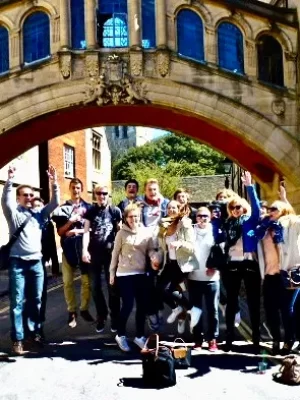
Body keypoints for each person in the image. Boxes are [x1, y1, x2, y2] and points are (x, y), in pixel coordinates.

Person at [1, 165, 59, 355]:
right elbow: (5, 201)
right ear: (18, 198)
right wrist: (9, 180)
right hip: (18, 263)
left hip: (36, 264)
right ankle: (17, 339)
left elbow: (54, 203)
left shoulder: (39, 215)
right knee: (17, 302)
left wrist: (54, 183)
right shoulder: (14, 215)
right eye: (25, 195)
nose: (29, 197)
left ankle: (33, 334)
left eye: (31, 195)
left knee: (36, 301)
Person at [109, 203, 159, 352]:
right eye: (130, 217)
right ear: (125, 218)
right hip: (124, 274)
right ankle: (120, 335)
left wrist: (154, 258)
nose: (133, 219)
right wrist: (112, 273)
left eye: (136, 216)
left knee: (142, 307)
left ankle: (139, 336)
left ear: (139, 217)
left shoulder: (146, 232)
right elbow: (115, 254)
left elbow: (150, 250)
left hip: (141, 274)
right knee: (128, 305)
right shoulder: (121, 234)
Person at [222, 172, 261, 352]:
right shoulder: (228, 224)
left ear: (243, 207)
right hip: (233, 265)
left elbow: (258, 210)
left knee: (253, 301)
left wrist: (249, 187)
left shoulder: (250, 221)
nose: (236, 210)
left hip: (249, 263)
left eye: (238, 207)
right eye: (232, 208)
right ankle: (229, 337)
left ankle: (256, 339)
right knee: (231, 301)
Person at [52, 178, 93, 328]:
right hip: (68, 251)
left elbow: (93, 229)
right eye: (73, 187)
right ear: (70, 189)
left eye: (78, 187)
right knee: (67, 282)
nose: (76, 190)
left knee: (86, 282)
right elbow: (60, 231)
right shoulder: (63, 208)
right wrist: (70, 222)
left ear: (81, 189)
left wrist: (77, 230)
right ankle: (72, 311)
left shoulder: (89, 208)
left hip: (84, 250)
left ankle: (84, 309)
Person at [82, 184, 122, 333]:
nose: (101, 196)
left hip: (110, 256)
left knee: (113, 288)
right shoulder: (90, 211)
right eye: (98, 193)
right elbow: (86, 232)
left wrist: (121, 253)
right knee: (95, 288)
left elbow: (120, 232)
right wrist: (84, 250)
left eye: (104, 193)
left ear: (108, 194)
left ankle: (115, 317)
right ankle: (102, 315)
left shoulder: (115, 211)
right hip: (94, 255)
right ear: (95, 195)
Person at [156, 200, 201, 331]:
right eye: (169, 208)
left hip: (182, 264)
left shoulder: (185, 223)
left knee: (168, 291)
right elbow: (161, 246)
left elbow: (193, 247)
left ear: (179, 209)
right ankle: (178, 308)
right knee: (159, 289)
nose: (171, 210)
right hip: (169, 263)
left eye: (174, 208)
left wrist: (180, 243)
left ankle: (192, 310)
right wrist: (156, 256)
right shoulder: (164, 225)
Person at [23, 197, 59, 339]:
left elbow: (52, 243)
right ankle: (27, 328)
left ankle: (39, 328)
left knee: (41, 297)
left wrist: (55, 265)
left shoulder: (48, 224)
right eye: (35, 206)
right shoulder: (26, 222)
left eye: (40, 206)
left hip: (41, 263)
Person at [188, 207, 221, 351]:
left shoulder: (216, 231)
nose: (203, 218)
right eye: (200, 216)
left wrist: (215, 266)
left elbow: (222, 253)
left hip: (212, 278)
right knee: (196, 310)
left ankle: (213, 339)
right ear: (196, 217)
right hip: (194, 277)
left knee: (212, 310)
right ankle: (197, 339)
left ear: (210, 217)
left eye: (206, 216)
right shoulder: (190, 230)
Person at [140, 178, 169, 331]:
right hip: (146, 250)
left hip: (163, 249)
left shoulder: (166, 204)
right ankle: (152, 313)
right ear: (145, 191)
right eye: (149, 189)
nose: (152, 192)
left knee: (162, 285)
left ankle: (158, 308)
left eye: (154, 189)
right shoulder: (140, 205)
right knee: (148, 285)